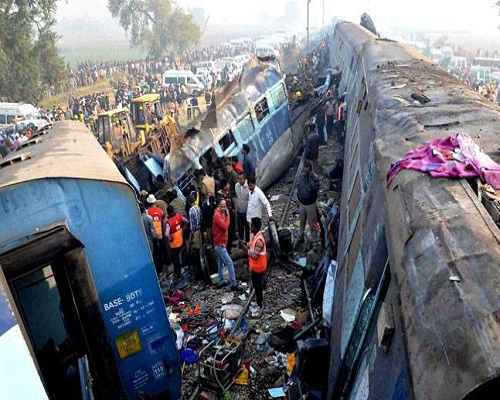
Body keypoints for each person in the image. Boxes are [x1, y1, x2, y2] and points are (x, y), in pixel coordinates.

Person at [241, 217, 267, 315]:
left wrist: (245, 249)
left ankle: (260, 305)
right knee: (256, 285)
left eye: (252, 226)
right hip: (255, 267)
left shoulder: (259, 240)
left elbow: (255, 255)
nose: (250, 227)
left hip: (258, 267)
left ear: (255, 228)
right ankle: (258, 302)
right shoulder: (255, 236)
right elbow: (251, 245)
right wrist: (246, 244)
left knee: (258, 286)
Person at [212, 197, 237, 289]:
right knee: (229, 262)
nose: (224, 208)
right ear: (218, 206)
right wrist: (228, 216)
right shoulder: (217, 215)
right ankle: (233, 281)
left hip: (221, 242)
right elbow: (225, 227)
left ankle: (221, 280)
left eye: (225, 206)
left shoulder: (221, 213)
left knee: (220, 262)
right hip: (219, 243)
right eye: (222, 206)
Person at [296, 160, 320, 244]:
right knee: (301, 223)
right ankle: (300, 237)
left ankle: (315, 240)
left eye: (306, 171)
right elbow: (299, 187)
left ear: (310, 170)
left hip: (310, 204)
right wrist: (298, 197)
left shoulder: (315, 178)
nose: (305, 172)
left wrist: (310, 179)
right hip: (302, 203)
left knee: (312, 223)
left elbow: (315, 189)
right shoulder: (301, 177)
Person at [164, 205, 188, 280]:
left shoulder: (168, 222)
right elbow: (187, 222)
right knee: (181, 254)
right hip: (181, 240)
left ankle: (178, 274)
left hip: (174, 244)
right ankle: (184, 265)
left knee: (175, 259)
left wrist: (170, 238)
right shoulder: (179, 216)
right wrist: (183, 230)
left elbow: (166, 234)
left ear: (168, 212)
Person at [146, 194, 165, 274]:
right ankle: (163, 267)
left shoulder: (147, 212)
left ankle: (158, 269)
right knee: (161, 251)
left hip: (154, 237)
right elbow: (162, 222)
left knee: (156, 254)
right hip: (160, 235)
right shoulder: (160, 211)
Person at [188, 194, 203, 281]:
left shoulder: (191, 210)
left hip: (196, 231)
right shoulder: (198, 207)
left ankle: (199, 272)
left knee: (196, 251)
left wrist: (191, 234)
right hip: (200, 230)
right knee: (201, 249)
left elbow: (192, 225)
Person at [235, 172, 250, 243]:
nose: (239, 181)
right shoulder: (236, 186)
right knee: (240, 228)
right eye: (238, 179)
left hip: (246, 211)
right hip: (239, 210)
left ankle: (247, 241)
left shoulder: (248, 186)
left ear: (245, 179)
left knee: (247, 227)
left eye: (241, 179)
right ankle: (241, 242)